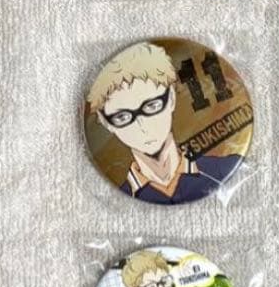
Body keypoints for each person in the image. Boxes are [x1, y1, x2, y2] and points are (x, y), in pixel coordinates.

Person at [87, 43, 241, 203]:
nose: (143, 126)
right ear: (106, 123)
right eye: (122, 117)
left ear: (171, 98)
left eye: (152, 106)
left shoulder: (225, 168)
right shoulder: (116, 199)